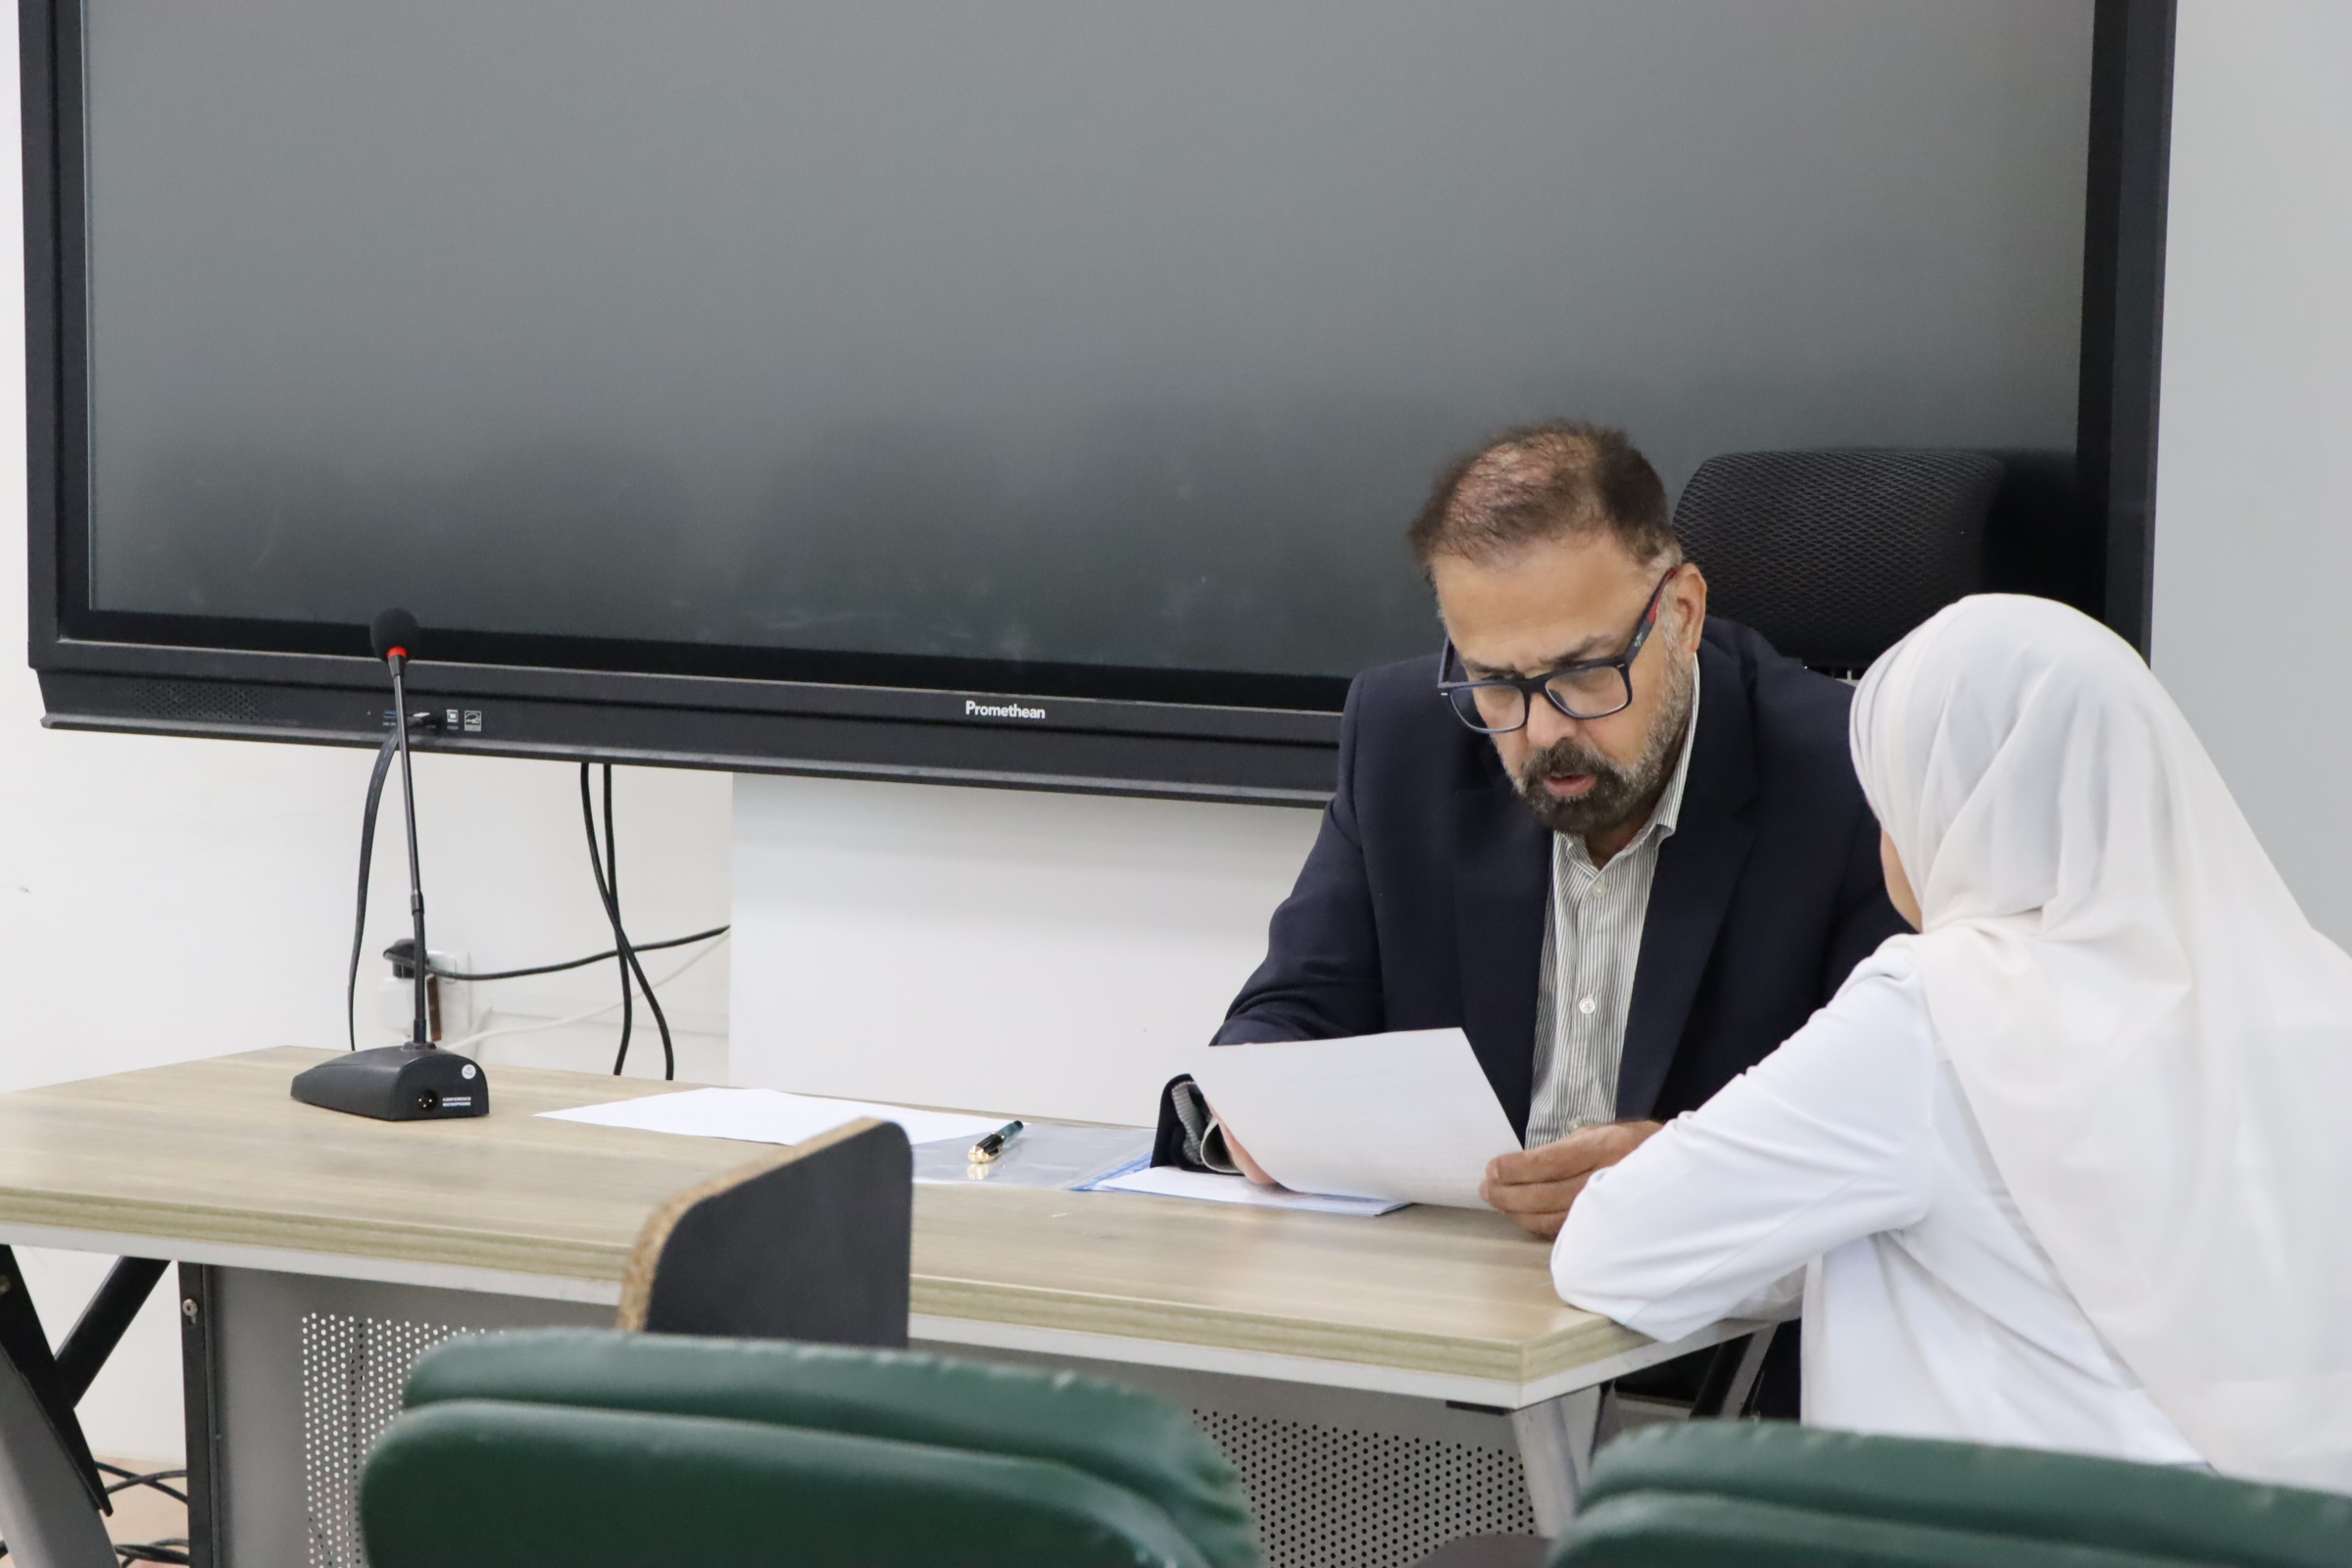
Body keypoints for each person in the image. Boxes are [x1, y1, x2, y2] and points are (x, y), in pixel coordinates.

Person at [1550, 594, 2352, 1488]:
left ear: (1950, 810)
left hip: (2013, 1537)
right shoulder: (2317, 989)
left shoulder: (1938, 1007)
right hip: (2275, 1534)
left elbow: (1614, 1254)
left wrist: (1788, 1204)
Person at [1158, 421, 1906, 1248]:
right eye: (1496, 682)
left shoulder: (1854, 776)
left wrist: (1694, 1169)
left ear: (1683, 613)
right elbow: (1293, 1011)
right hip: (1465, 1294)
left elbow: (1898, 1120)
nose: (1545, 731)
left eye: (1584, 672)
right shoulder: (1406, 741)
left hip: (1719, 1301)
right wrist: (1253, 1105)